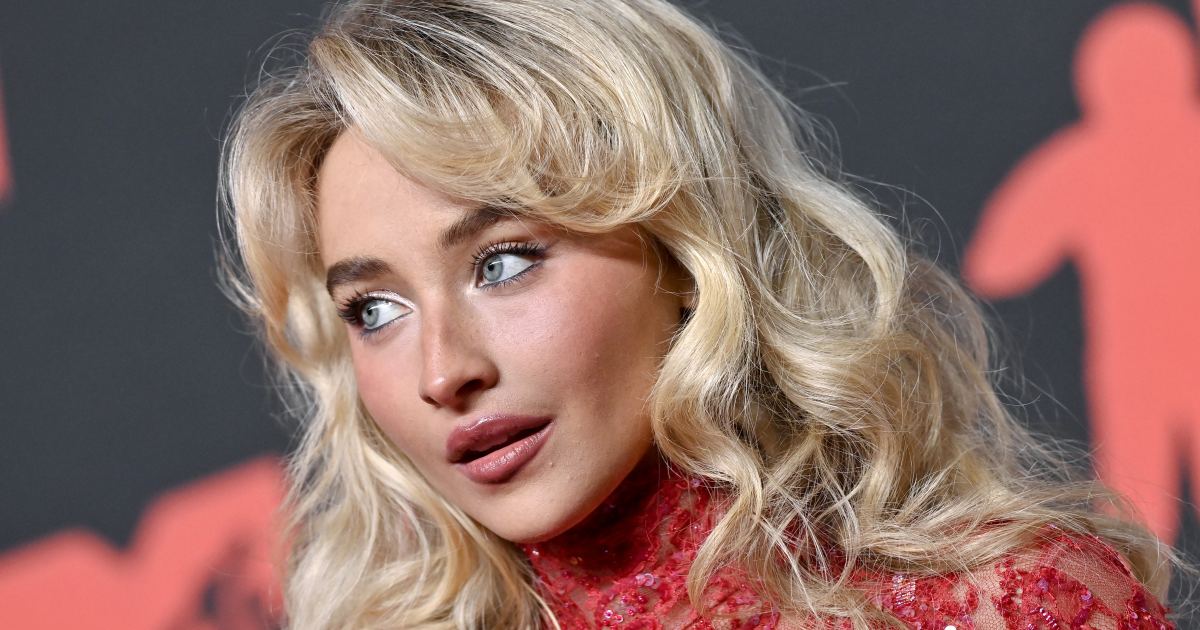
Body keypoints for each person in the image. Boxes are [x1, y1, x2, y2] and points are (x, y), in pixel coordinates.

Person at [219, 0, 1179, 627]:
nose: (443, 372)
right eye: (375, 309)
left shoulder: (1014, 605)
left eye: (502, 263)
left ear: (682, 247)